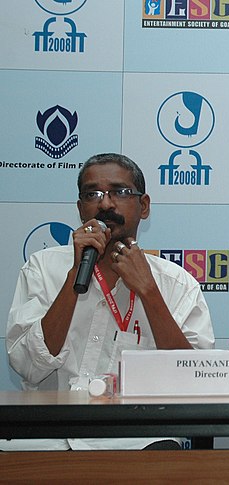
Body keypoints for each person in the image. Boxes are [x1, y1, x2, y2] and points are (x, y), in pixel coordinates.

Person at [5, 153, 215, 451]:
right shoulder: (42, 268)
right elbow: (26, 365)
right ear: (80, 208)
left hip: (137, 438)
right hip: (46, 435)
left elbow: (195, 381)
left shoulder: (176, 284)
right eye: (93, 194)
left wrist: (149, 292)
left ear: (143, 206)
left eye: (120, 192)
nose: (105, 204)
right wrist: (74, 277)